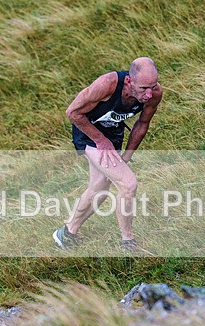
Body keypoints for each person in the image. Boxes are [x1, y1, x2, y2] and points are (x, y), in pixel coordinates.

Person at [53, 57, 163, 252]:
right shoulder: (108, 85)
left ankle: (67, 233)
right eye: (143, 88)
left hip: (113, 134)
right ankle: (128, 242)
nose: (148, 94)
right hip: (89, 133)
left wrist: (126, 156)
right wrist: (100, 141)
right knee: (128, 184)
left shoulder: (154, 94)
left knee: (99, 187)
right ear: (129, 81)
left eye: (153, 86)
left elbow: (142, 124)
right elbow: (73, 113)